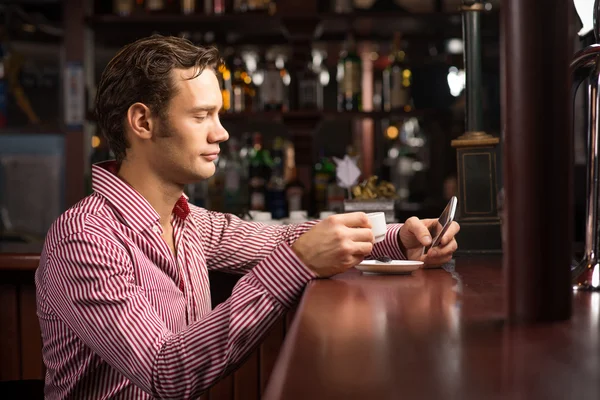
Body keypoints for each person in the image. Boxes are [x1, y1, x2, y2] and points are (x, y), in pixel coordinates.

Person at [35, 35, 460, 399]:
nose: (220, 133)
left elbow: (285, 238)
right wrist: (297, 264)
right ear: (143, 121)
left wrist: (399, 240)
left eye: (217, 115)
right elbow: (166, 372)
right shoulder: (84, 237)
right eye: (201, 116)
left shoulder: (188, 222)